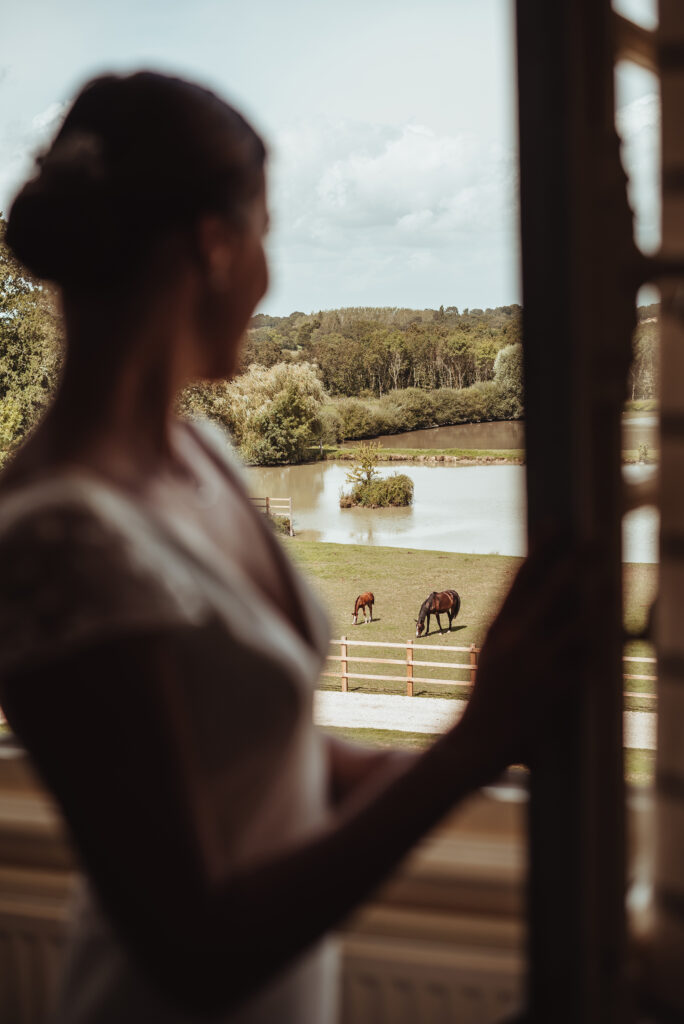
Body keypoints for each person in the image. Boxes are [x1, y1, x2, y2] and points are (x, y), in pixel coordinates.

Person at [0, 71, 583, 1024]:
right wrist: (474, 741)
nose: (273, 275)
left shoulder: (200, 453)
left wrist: (497, 739)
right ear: (214, 245)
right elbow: (198, 950)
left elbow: (277, 757)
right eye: (268, 235)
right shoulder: (51, 542)